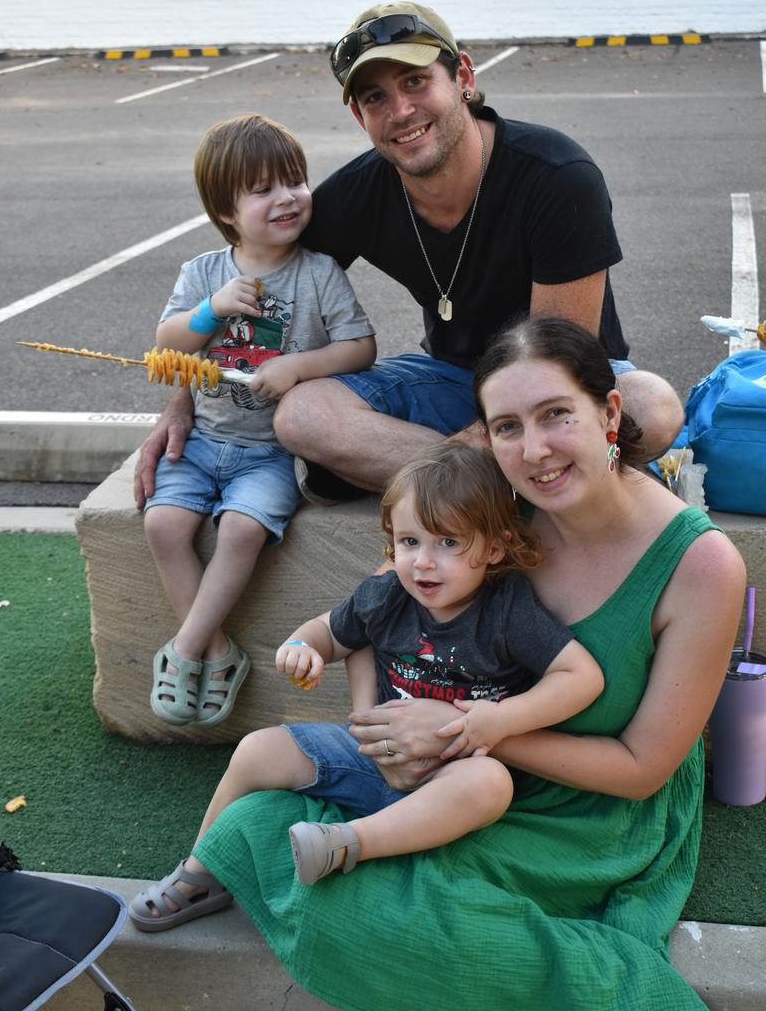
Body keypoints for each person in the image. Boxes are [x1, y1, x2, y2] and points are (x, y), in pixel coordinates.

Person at [187, 317, 745, 1009]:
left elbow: (640, 771)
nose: (535, 449)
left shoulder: (702, 564)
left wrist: (464, 726)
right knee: (249, 823)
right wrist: (377, 723)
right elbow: (374, 615)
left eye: (555, 415)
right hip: (452, 777)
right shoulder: (489, 506)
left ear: (609, 412)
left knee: (367, 916)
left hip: (587, 815)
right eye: (507, 426)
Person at [133, 1, 683, 509]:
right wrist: (182, 400)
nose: (399, 110)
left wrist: (468, 446)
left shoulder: (558, 178)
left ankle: (453, 490)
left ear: (463, 77)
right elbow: (260, 284)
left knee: (652, 407)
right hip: (450, 377)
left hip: (564, 385)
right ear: (359, 117)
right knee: (303, 416)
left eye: (415, 81)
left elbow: (559, 361)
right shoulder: (356, 197)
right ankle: (518, 491)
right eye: (375, 98)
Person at [128, 440, 603, 924]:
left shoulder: (506, 611)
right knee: (255, 750)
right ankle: (200, 873)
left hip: (450, 771)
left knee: (492, 783)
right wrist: (301, 647)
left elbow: (581, 677)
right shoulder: (387, 594)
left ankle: (349, 844)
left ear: (495, 547)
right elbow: (331, 633)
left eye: (450, 543)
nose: (423, 562)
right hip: (370, 758)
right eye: (410, 541)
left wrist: (499, 721)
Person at [144, 113, 375, 727]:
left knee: (244, 531)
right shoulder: (203, 274)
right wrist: (209, 314)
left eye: (295, 180)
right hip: (201, 440)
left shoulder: (319, 272)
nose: (288, 197)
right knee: (165, 525)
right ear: (225, 211)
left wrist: (299, 366)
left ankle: (186, 648)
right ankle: (218, 650)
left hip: (269, 451)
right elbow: (166, 341)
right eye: (263, 189)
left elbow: (361, 347)